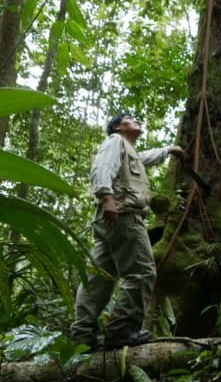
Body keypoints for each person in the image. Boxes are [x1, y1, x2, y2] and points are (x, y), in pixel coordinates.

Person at [71, 112, 186, 349]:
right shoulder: (115, 142)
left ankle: (82, 335)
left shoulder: (128, 151)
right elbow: (101, 168)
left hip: (111, 221)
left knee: (98, 277)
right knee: (142, 272)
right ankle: (121, 332)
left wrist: (168, 150)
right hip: (123, 215)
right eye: (129, 118)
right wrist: (106, 197)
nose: (136, 120)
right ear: (117, 127)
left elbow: (144, 158)